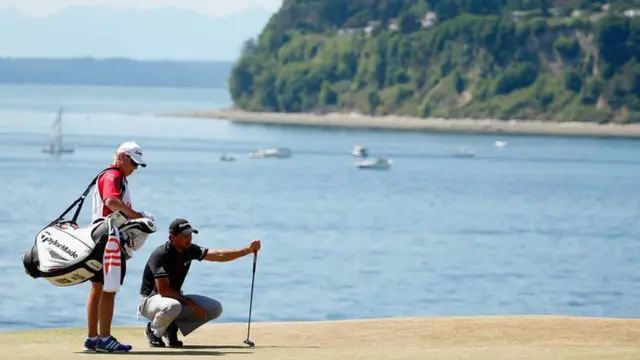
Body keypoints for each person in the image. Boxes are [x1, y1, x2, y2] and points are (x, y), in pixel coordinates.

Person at [137, 218, 261, 348]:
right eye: (185, 235)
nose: (189, 238)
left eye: (190, 234)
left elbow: (218, 255)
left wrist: (247, 250)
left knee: (214, 308)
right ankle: (153, 330)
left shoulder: (189, 250)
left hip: (172, 300)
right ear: (172, 237)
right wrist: (191, 304)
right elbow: (164, 290)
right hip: (150, 301)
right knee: (173, 306)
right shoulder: (161, 254)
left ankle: (170, 327)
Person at [84, 141, 150, 353]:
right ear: (121, 156)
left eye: (137, 164)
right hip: (109, 240)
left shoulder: (113, 175)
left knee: (97, 288)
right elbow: (111, 201)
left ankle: (93, 338)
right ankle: (104, 339)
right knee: (109, 290)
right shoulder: (113, 175)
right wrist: (137, 216)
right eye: (133, 162)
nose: (135, 168)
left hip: (99, 238)